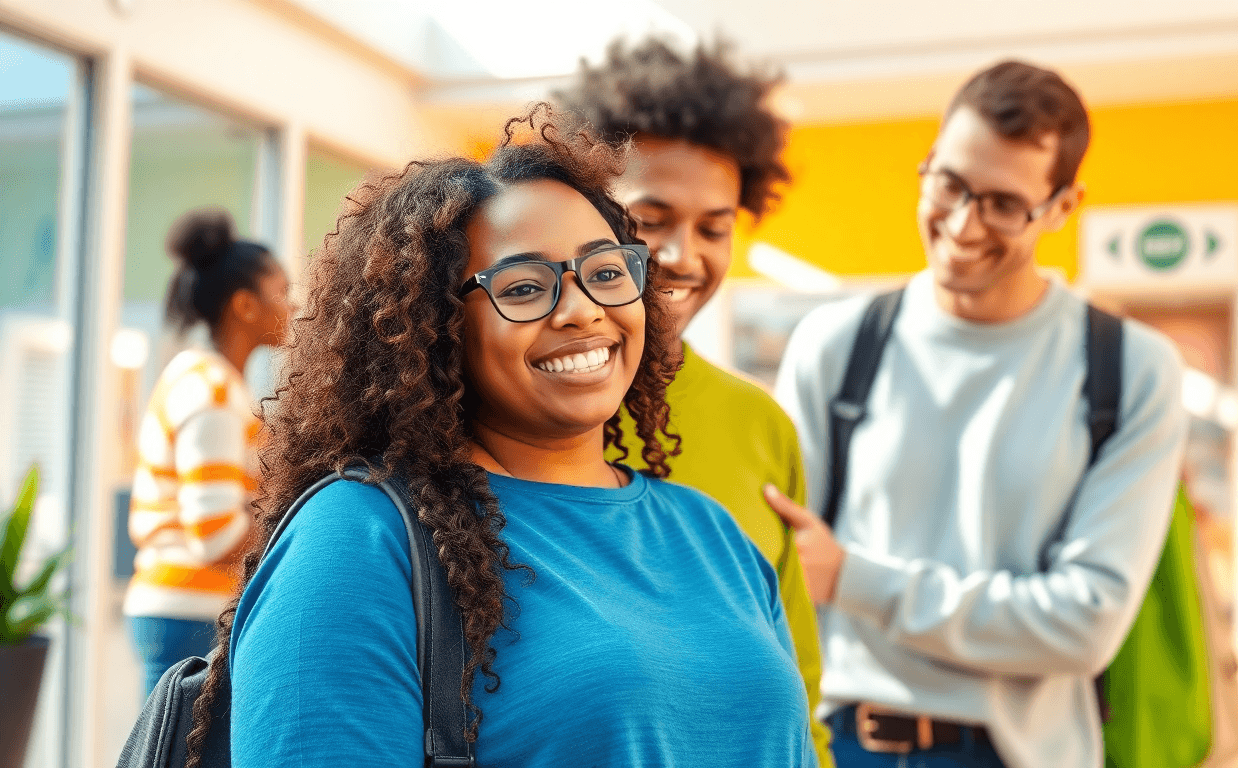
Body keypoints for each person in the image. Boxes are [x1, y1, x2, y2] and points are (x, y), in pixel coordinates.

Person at [184, 108, 817, 768]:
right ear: (436, 327)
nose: (581, 308)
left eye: (606, 271)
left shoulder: (711, 534)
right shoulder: (357, 541)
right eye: (522, 287)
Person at [767, 61, 1188, 767]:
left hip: (1019, 752)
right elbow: (781, 573)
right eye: (950, 184)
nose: (962, 224)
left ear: (1061, 207)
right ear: (927, 164)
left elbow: (1084, 624)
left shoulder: (1130, 369)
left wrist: (854, 580)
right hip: (839, 744)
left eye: (1003, 203)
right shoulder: (836, 346)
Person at [556, 38, 833, 766]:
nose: (685, 254)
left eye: (715, 227)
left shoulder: (760, 426)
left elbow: (798, 686)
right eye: (652, 218)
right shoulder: (523, 405)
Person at [124, 209, 292, 698]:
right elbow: (216, 535)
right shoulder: (212, 393)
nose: (293, 304)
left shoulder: (212, 383)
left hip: (180, 612)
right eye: (281, 291)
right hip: (186, 616)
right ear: (244, 305)